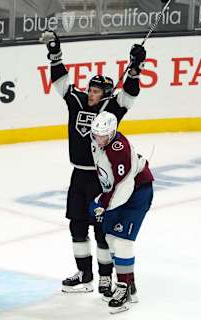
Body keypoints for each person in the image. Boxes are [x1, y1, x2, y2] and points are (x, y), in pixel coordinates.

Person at [40, 30, 147, 294]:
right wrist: (55, 53)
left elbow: (130, 96)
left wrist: (135, 70)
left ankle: (105, 276)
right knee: (76, 225)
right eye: (90, 89)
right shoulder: (77, 101)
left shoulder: (113, 108)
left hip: (100, 178)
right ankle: (85, 273)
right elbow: (61, 83)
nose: (91, 94)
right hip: (78, 175)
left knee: (101, 230)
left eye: (96, 91)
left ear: (106, 93)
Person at [88, 112, 154, 314]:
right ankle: (130, 285)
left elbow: (124, 187)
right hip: (119, 194)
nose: (99, 139)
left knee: (123, 240)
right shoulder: (98, 143)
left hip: (136, 194)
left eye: (103, 135)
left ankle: (123, 288)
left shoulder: (119, 150)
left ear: (112, 133)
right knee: (110, 237)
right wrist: (103, 200)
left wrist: (102, 204)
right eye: (96, 134)